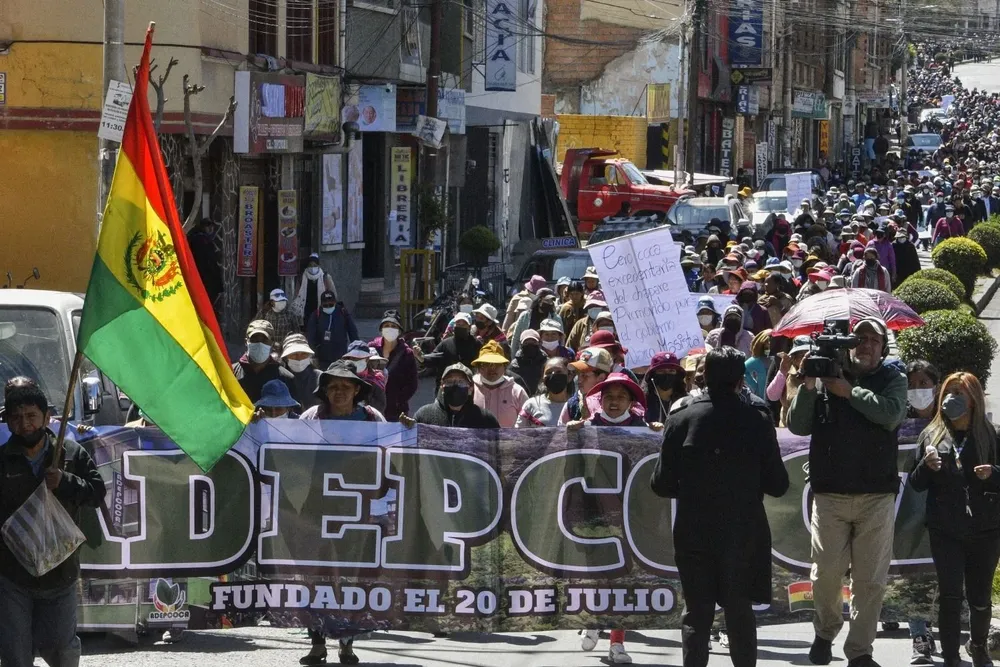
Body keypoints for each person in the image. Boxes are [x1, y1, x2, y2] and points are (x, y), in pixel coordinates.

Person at [651, 346, 789, 667]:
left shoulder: (681, 417)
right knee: (739, 612)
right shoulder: (757, 419)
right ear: (742, 380)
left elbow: (661, 483)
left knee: (697, 615)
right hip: (743, 534)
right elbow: (778, 483)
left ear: (703, 377)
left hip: (693, 533)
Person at [786, 317, 907, 667]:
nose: (866, 344)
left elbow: (891, 415)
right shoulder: (826, 373)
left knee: (870, 581)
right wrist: (809, 384)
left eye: (874, 339)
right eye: (860, 338)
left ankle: (859, 651)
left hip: (876, 496)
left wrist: (849, 391)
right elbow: (798, 424)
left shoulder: (892, 378)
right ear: (849, 344)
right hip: (830, 494)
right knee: (825, 575)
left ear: (883, 347)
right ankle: (825, 632)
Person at [0, 379, 106, 667]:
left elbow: (97, 494)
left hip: (61, 575)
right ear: (8, 422)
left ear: (47, 417)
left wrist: (66, 482)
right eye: (17, 418)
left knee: (62, 651)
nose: (25, 424)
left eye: (32, 416)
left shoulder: (71, 454)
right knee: (15, 656)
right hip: (12, 577)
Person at [909, 372, 1000, 667]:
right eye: (950, 392)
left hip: (985, 530)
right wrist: (927, 465)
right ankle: (950, 656)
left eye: (961, 393)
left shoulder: (991, 435)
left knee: (980, 597)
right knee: (950, 594)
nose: (954, 398)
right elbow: (916, 483)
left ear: (973, 399)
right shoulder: (931, 435)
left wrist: (994, 475)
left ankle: (978, 648)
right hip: (945, 530)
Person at [298, 361, 382, 665]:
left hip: (357, 511)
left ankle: (347, 644)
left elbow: (392, 458)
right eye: (332, 386)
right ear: (325, 391)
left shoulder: (373, 420)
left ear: (357, 390)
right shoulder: (311, 418)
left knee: (351, 577)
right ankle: (317, 643)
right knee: (316, 576)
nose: (339, 392)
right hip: (316, 509)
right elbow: (288, 453)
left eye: (346, 386)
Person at [411, 363, 500, 428]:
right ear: (442, 387)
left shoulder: (486, 420)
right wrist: (405, 429)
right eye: (449, 382)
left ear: (470, 389)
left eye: (461, 382)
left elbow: (499, 449)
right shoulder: (424, 416)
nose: (455, 386)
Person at [369, 310, 418, 422]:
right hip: (373, 408)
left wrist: (398, 401)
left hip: (396, 411)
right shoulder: (371, 348)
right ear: (381, 330)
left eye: (393, 326)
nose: (390, 329)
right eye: (386, 326)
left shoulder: (407, 354)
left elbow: (412, 384)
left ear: (399, 331)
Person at [232, 320, 296, 403]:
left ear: (272, 343)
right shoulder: (231, 372)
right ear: (246, 342)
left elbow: (292, 410)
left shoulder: (285, 377)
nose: (259, 344)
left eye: (264, 340)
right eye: (254, 340)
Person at [470, 341, 529, 428]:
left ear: (505, 367)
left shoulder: (517, 392)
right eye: (486, 364)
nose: (492, 368)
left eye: (497, 364)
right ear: (478, 367)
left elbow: (528, 424)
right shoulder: (470, 388)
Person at [424, 313, 482, 385]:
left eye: (463, 324)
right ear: (454, 325)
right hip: (446, 387)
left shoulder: (476, 344)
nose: (460, 327)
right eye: (458, 324)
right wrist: (420, 357)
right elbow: (432, 360)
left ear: (469, 327)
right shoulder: (445, 344)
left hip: (468, 388)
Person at [306, 291, 360, 368]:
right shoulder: (316, 315)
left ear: (335, 302)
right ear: (321, 304)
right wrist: (313, 355)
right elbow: (310, 337)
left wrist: (356, 351)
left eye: (331, 305)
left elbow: (353, 332)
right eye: (325, 305)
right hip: (322, 359)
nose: (328, 307)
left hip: (341, 357)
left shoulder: (343, 312)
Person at [560, 347, 614, 423]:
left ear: (601, 377)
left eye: (585, 376)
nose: (579, 380)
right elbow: (560, 432)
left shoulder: (614, 404)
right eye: (578, 374)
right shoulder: (572, 405)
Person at [515, 357, 571, 427]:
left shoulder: (577, 404)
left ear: (569, 376)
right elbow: (518, 434)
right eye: (549, 372)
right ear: (543, 378)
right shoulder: (531, 404)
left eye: (559, 371)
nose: (553, 375)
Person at [510, 288, 559, 359]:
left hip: (549, 357)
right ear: (539, 300)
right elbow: (516, 339)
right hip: (526, 356)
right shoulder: (525, 316)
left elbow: (561, 339)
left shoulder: (556, 318)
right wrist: (514, 359)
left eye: (551, 301)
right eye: (547, 300)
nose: (549, 303)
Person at [293, 253, 339, 328]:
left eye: (315, 265)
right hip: (306, 309)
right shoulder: (302, 277)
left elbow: (333, 294)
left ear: (318, 266)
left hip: (321, 309)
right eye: (310, 265)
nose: (312, 267)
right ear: (307, 266)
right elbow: (297, 294)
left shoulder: (325, 277)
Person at [341, 341, 388, 415]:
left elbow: (381, 406)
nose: (357, 361)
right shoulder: (340, 378)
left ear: (367, 359)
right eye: (353, 358)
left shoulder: (376, 379)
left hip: (369, 421)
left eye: (361, 358)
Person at [187, 218, 223, 309]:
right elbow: (208, 260)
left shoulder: (193, 237)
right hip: (205, 276)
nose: (211, 230)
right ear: (205, 227)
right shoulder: (202, 240)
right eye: (209, 227)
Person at [642, 352, 687, 424]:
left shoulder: (687, 400)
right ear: (652, 375)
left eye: (671, 371)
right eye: (661, 371)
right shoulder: (642, 401)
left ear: (677, 375)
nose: (666, 374)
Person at [281, 333, 322, 410]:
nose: (299, 358)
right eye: (294, 354)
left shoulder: (319, 377)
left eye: (303, 354)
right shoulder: (280, 377)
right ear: (286, 357)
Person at [509, 330, 548, 395]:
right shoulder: (514, 365)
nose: (530, 346)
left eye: (533, 343)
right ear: (521, 345)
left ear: (539, 343)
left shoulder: (546, 363)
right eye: (526, 343)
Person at [745, 330, 772, 401]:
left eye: (772, 340)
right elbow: (743, 370)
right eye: (768, 341)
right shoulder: (757, 360)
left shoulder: (780, 358)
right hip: (762, 399)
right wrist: (755, 386)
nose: (769, 343)